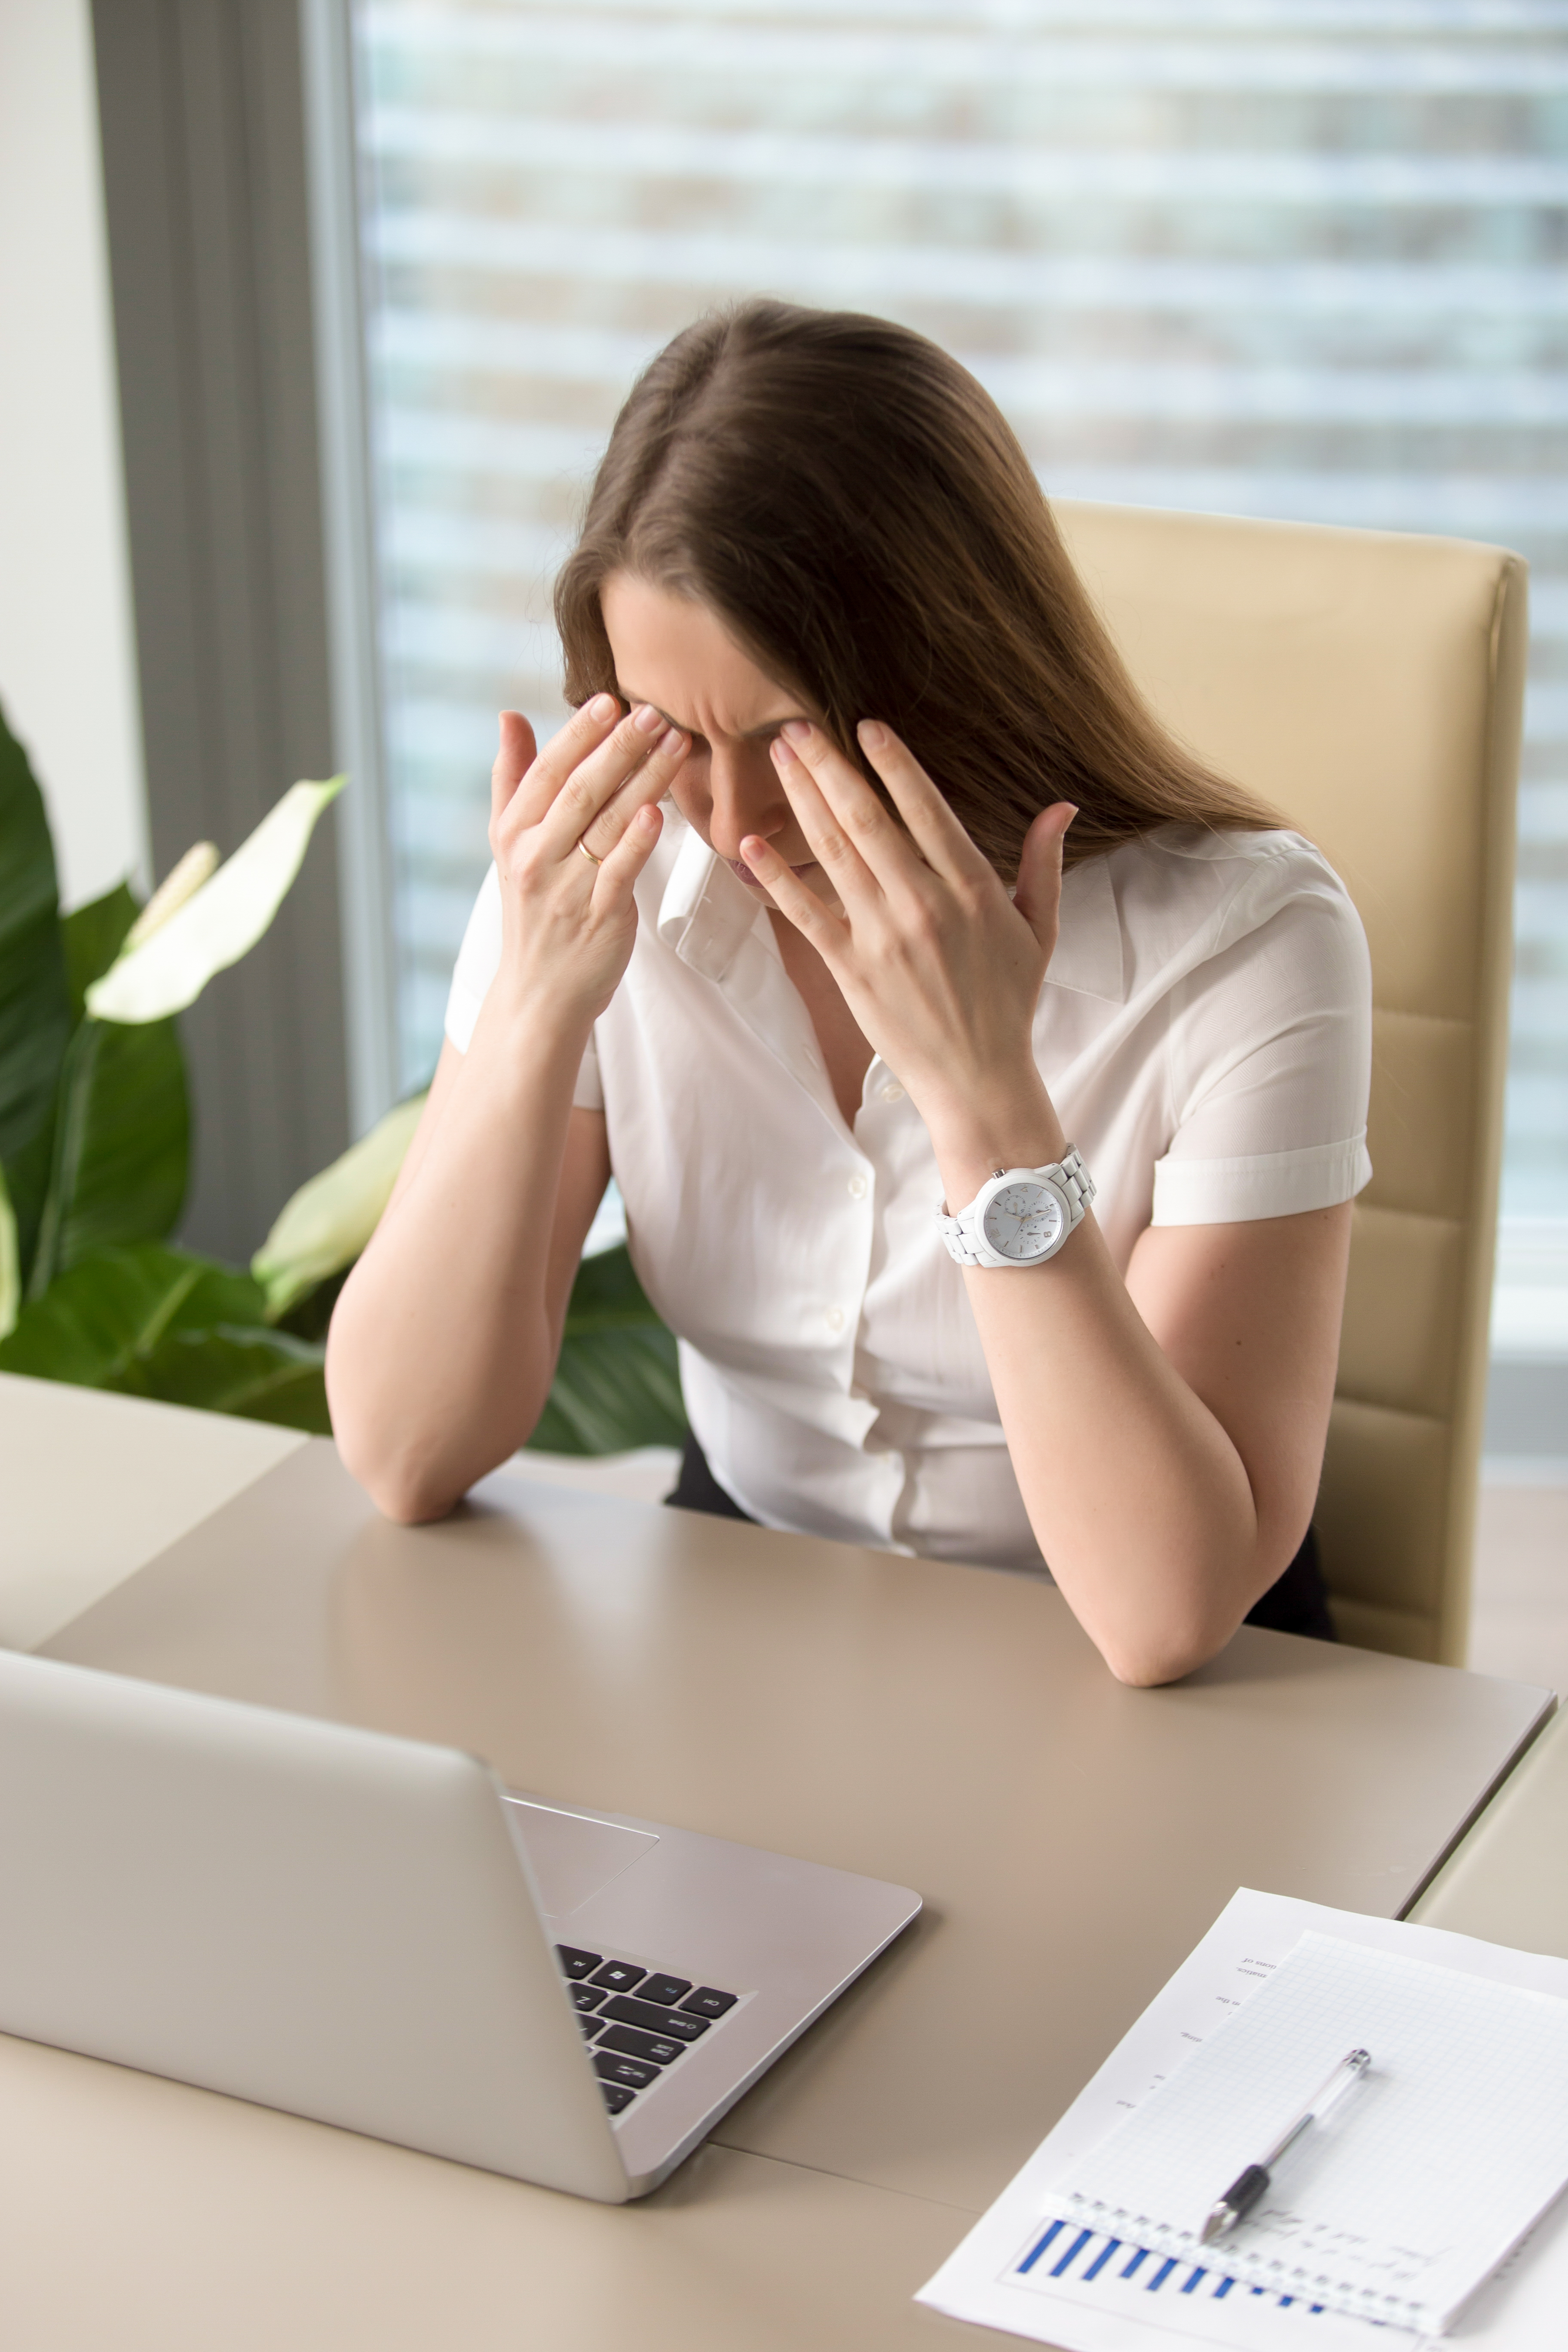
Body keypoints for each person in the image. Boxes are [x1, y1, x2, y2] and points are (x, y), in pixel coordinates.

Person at [326, 300, 1372, 1688]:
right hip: (749, 1611)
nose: (735, 815)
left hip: (1138, 1656)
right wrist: (529, 1009)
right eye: (669, 731)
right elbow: (406, 1453)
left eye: (788, 735)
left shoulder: (1252, 941)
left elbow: (1161, 1613)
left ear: (958, 666)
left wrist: (984, 1096)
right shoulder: (602, 875)